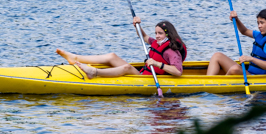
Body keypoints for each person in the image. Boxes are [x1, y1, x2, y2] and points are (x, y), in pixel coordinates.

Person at [56, 17, 187, 79]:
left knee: (127, 68)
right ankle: (75, 57)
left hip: (148, 79)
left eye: (160, 33)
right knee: (112, 56)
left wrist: (157, 63)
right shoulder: (157, 43)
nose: (157, 36)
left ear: (168, 34)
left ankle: (94, 72)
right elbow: (144, 37)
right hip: (143, 74)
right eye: (156, 33)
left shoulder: (172, 51)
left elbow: (178, 71)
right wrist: (137, 26)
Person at [206, 9, 266, 76]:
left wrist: (251, 59)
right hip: (252, 73)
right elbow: (245, 31)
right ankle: (208, 82)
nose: (259, 26)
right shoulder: (262, 35)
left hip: (263, 78)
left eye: (262, 23)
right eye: (258, 23)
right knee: (217, 56)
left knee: (235, 69)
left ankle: (218, 85)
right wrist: (236, 19)